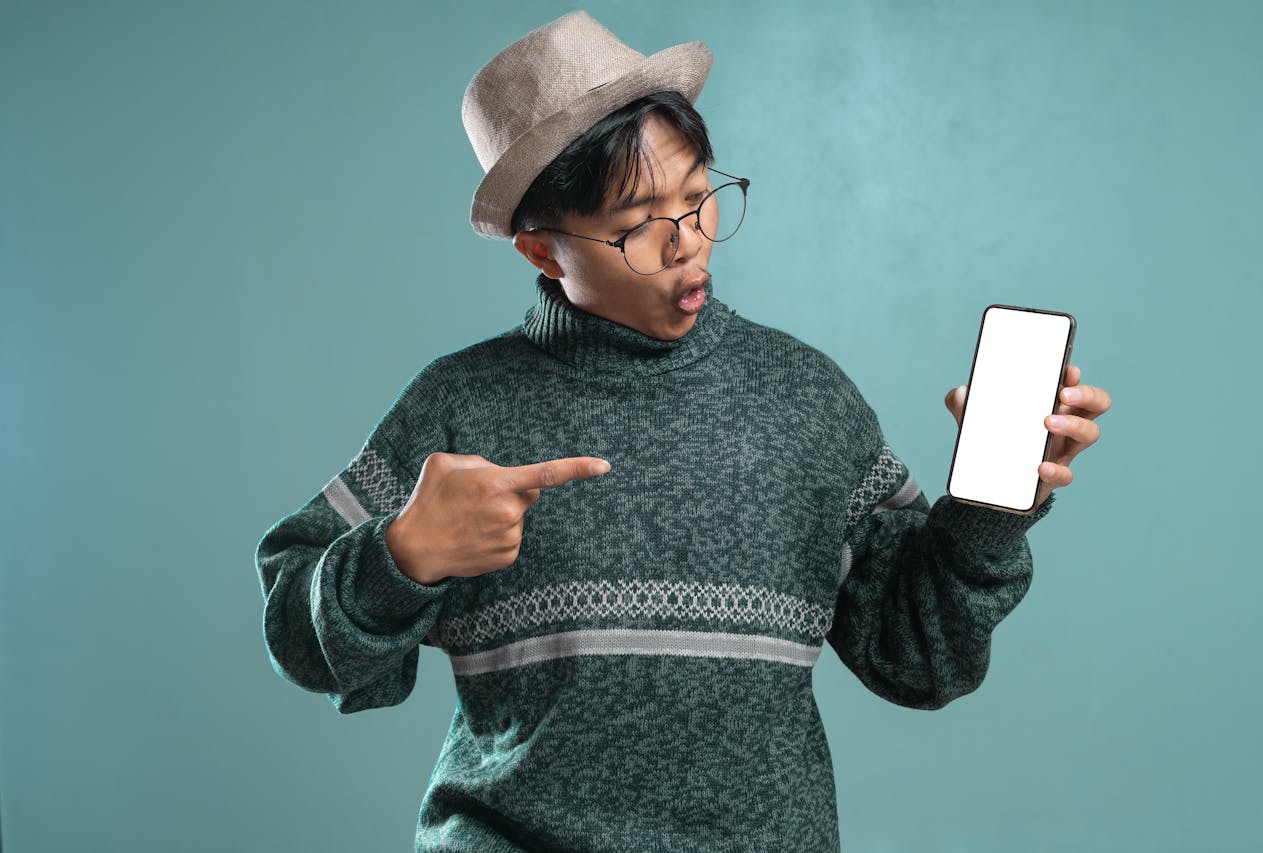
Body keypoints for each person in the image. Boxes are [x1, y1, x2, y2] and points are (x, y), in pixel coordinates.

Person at [255, 11, 1111, 852]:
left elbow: (920, 657)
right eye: (635, 226)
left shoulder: (806, 397)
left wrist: (992, 508)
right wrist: (400, 554)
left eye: (700, 199)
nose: (687, 246)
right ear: (543, 252)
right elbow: (301, 634)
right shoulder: (460, 406)